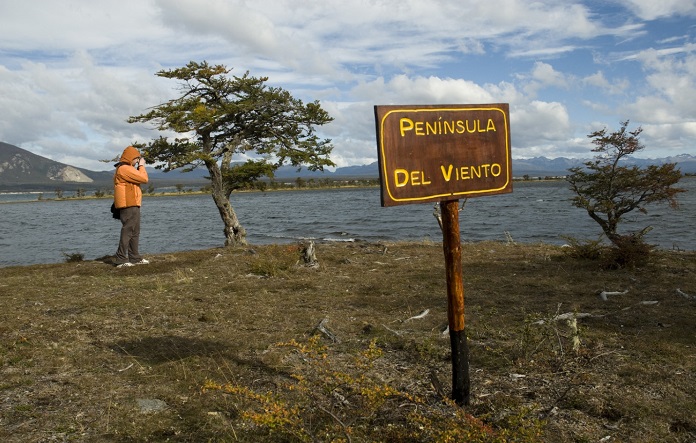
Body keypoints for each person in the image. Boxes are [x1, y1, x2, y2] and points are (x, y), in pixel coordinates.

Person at [113, 146, 149, 267]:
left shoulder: (125, 168)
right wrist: (142, 166)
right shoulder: (124, 169)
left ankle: (134, 257)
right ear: (131, 158)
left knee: (135, 231)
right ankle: (121, 259)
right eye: (136, 159)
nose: (137, 161)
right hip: (128, 204)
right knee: (128, 230)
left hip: (133, 203)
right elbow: (144, 178)